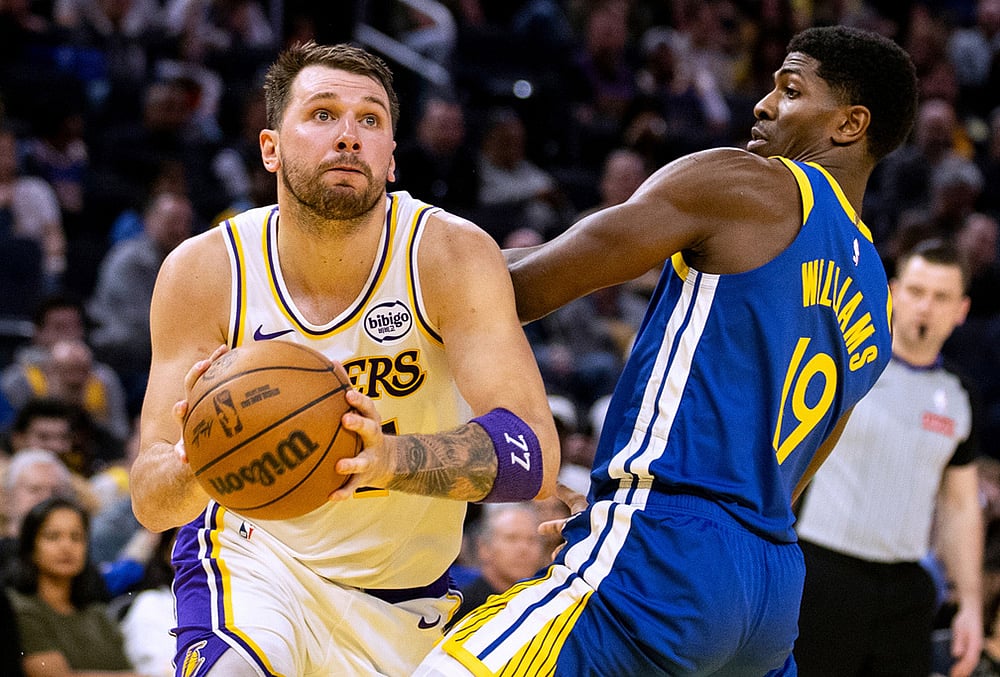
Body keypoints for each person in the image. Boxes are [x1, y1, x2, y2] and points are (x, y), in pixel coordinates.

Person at [415, 25, 919, 676]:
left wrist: (386, 280)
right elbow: (789, 479)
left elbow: (524, 287)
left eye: (791, 90)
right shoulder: (878, 299)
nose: (764, 104)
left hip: (666, 553)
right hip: (767, 596)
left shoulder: (749, 185)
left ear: (850, 124)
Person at [130, 41, 559, 676]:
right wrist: (197, 461)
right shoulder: (206, 270)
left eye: (371, 119)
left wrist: (389, 459)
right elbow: (150, 498)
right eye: (323, 114)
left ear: (392, 158)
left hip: (406, 597)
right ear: (271, 147)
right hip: (252, 561)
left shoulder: (448, 253)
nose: (349, 135)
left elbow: (536, 455)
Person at [794, 239, 983, 677]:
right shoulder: (843, 363)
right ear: (893, 292)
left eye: (941, 297)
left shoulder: (959, 396)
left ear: (961, 310)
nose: (925, 307)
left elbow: (960, 506)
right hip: (821, 572)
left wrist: (971, 604)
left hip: (905, 591)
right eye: (916, 291)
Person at [5, 496, 140, 675]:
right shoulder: (17, 608)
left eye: (76, 537)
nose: (66, 546)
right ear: (31, 546)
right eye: (53, 537)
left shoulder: (99, 615)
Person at [445, 502, 549, 631]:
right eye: (512, 538)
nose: (524, 549)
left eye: (532, 540)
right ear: (484, 547)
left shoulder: (546, 607)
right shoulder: (458, 609)